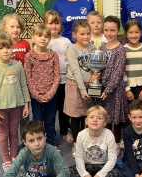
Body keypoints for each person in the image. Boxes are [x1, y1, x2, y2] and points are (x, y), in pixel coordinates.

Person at [0, 32, 30, 173]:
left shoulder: (17, 65)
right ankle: (6, 160)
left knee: (14, 133)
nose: (5, 51)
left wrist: (26, 104)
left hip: (17, 106)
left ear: (13, 48)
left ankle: (14, 157)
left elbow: (23, 85)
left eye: (8, 47)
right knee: (4, 134)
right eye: (1, 48)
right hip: (1, 108)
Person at [0, 13, 31, 143]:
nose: (15, 29)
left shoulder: (25, 44)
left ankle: (25, 140)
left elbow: (28, 63)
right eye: (12, 26)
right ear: (5, 28)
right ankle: (11, 141)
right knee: (10, 116)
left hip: (22, 85)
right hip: (8, 86)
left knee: (24, 115)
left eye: (18, 26)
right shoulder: (1, 45)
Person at [24, 24, 60, 146]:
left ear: (50, 39)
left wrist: (50, 94)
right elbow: (28, 78)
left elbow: (57, 76)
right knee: (38, 121)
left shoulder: (54, 55)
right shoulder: (29, 56)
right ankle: (37, 145)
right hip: (36, 97)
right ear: (33, 38)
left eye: (46, 36)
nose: (43, 38)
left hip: (51, 95)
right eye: (39, 36)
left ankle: (50, 145)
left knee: (50, 121)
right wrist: (37, 95)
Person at [64, 20, 95, 154]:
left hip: (89, 85)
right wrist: (82, 90)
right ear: (74, 35)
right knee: (76, 116)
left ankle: (85, 141)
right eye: (82, 34)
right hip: (75, 86)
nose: (86, 37)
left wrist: (95, 76)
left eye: (88, 33)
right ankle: (77, 143)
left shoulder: (93, 48)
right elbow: (76, 70)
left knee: (86, 116)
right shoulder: (72, 49)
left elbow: (96, 66)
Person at [44, 10, 74, 143]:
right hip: (50, 82)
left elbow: (72, 59)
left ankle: (64, 130)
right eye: (50, 23)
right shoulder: (44, 41)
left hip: (65, 80)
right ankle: (49, 132)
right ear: (45, 24)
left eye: (56, 23)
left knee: (64, 108)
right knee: (51, 109)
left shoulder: (66, 41)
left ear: (60, 25)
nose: (53, 26)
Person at [100, 15, 128, 148]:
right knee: (105, 117)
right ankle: (106, 143)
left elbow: (118, 73)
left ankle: (116, 143)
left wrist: (108, 89)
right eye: (106, 30)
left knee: (116, 119)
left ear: (118, 31)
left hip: (115, 90)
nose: (109, 33)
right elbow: (98, 68)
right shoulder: (101, 47)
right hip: (102, 88)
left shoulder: (121, 50)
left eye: (112, 30)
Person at [5, 120, 71, 177]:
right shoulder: (23, 153)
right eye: (31, 141)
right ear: (25, 142)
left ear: (45, 137)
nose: (37, 144)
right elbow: (9, 174)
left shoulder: (51, 150)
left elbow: (65, 171)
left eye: (39, 138)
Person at [69, 105, 120, 177]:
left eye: (99, 118)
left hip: (103, 165)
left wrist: (100, 175)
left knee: (116, 174)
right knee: (67, 172)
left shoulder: (109, 135)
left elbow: (112, 159)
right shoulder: (81, 135)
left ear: (105, 123)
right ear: (86, 121)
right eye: (91, 117)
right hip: (86, 165)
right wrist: (84, 174)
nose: (95, 120)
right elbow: (78, 157)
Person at [123, 19, 142, 129]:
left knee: (140, 113)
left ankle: (141, 136)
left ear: (141, 33)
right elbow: (122, 71)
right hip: (128, 88)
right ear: (125, 34)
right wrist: (127, 89)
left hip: (141, 88)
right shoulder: (123, 49)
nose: (134, 35)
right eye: (130, 32)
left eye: (136, 32)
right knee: (128, 114)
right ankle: (127, 136)